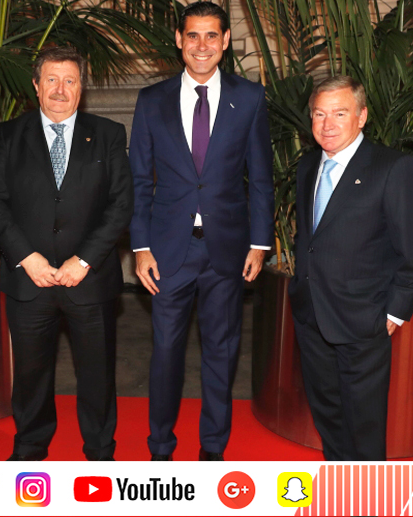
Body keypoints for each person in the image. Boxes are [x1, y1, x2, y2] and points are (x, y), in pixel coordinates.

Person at [128, 1, 274, 461]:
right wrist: (140, 246)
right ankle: (160, 448)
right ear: (179, 40)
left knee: (221, 354)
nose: (202, 45)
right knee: (165, 353)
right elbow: (138, 180)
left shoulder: (249, 98)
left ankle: (213, 450)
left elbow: (261, 177)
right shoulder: (152, 100)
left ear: (226, 41)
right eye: (193, 35)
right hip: (168, 252)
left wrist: (260, 243)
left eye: (212, 35)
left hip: (227, 251)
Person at [0, 46, 133, 461]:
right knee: (30, 373)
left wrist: (83, 260)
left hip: (89, 280)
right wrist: (26, 257)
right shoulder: (10, 135)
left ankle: (100, 450)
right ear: (36, 85)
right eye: (51, 79)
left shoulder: (108, 134)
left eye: (70, 80)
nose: (60, 89)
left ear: (82, 88)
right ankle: (30, 446)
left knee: (97, 374)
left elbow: (121, 204)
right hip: (29, 280)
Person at [288, 75, 413, 461]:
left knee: (364, 424)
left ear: (362, 116)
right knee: (328, 415)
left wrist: (394, 313)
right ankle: (340, 482)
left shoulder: (393, 168)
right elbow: (310, 238)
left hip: (364, 319)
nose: (328, 124)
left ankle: (368, 491)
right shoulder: (308, 165)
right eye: (319, 114)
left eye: (340, 113)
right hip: (311, 315)